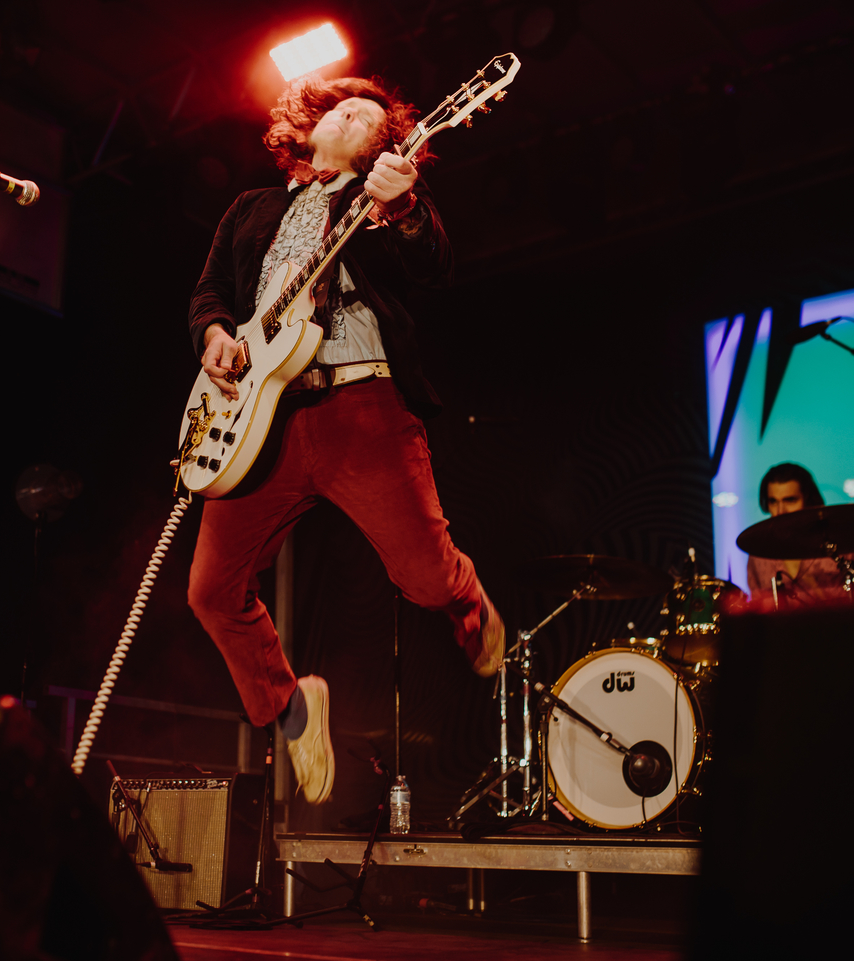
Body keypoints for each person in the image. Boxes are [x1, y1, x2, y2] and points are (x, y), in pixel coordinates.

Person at [186, 76, 505, 805]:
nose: (355, 114)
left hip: (360, 406)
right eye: (343, 106)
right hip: (261, 418)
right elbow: (209, 293)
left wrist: (404, 207)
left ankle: (468, 603)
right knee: (210, 591)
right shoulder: (251, 208)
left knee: (424, 578)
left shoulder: (382, 197)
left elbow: (433, 265)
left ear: (388, 145)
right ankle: (292, 706)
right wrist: (213, 337)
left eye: (372, 115)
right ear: (310, 125)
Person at [746, 463, 854, 610]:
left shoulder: (844, 541)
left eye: (790, 500)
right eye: (773, 501)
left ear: (809, 501)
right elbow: (759, 609)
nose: (780, 511)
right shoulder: (759, 553)